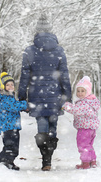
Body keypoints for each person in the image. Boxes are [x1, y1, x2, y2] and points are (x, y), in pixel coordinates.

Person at [18, 14, 72, 171]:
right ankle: (48, 157)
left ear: (36, 33)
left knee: (41, 124)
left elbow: (24, 76)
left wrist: (22, 97)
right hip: (55, 95)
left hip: (36, 95)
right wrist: (67, 98)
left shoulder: (29, 51)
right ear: (51, 32)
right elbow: (64, 76)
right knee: (52, 126)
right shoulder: (59, 51)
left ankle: (45, 158)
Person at [62, 76, 100, 169]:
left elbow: (76, 110)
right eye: (78, 91)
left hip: (84, 128)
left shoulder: (84, 103)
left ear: (87, 92)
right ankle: (92, 161)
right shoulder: (91, 101)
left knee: (82, 145)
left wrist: (66, 105)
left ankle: (85, 163)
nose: (80, 93)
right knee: (89, 145)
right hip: (91, 128)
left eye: (82, 91)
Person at [0, 72, 28, 171]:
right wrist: (25, 104)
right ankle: (6, 161)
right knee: (11, 145)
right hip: (8, 126)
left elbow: (14, 105)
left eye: (12, 85)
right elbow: (14, 106)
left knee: (12, 145)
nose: (10, 86)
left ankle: (7, 160)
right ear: (3, 86)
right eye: (7, 85)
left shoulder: (9, 96)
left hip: (12, 126)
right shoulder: (4, 98)